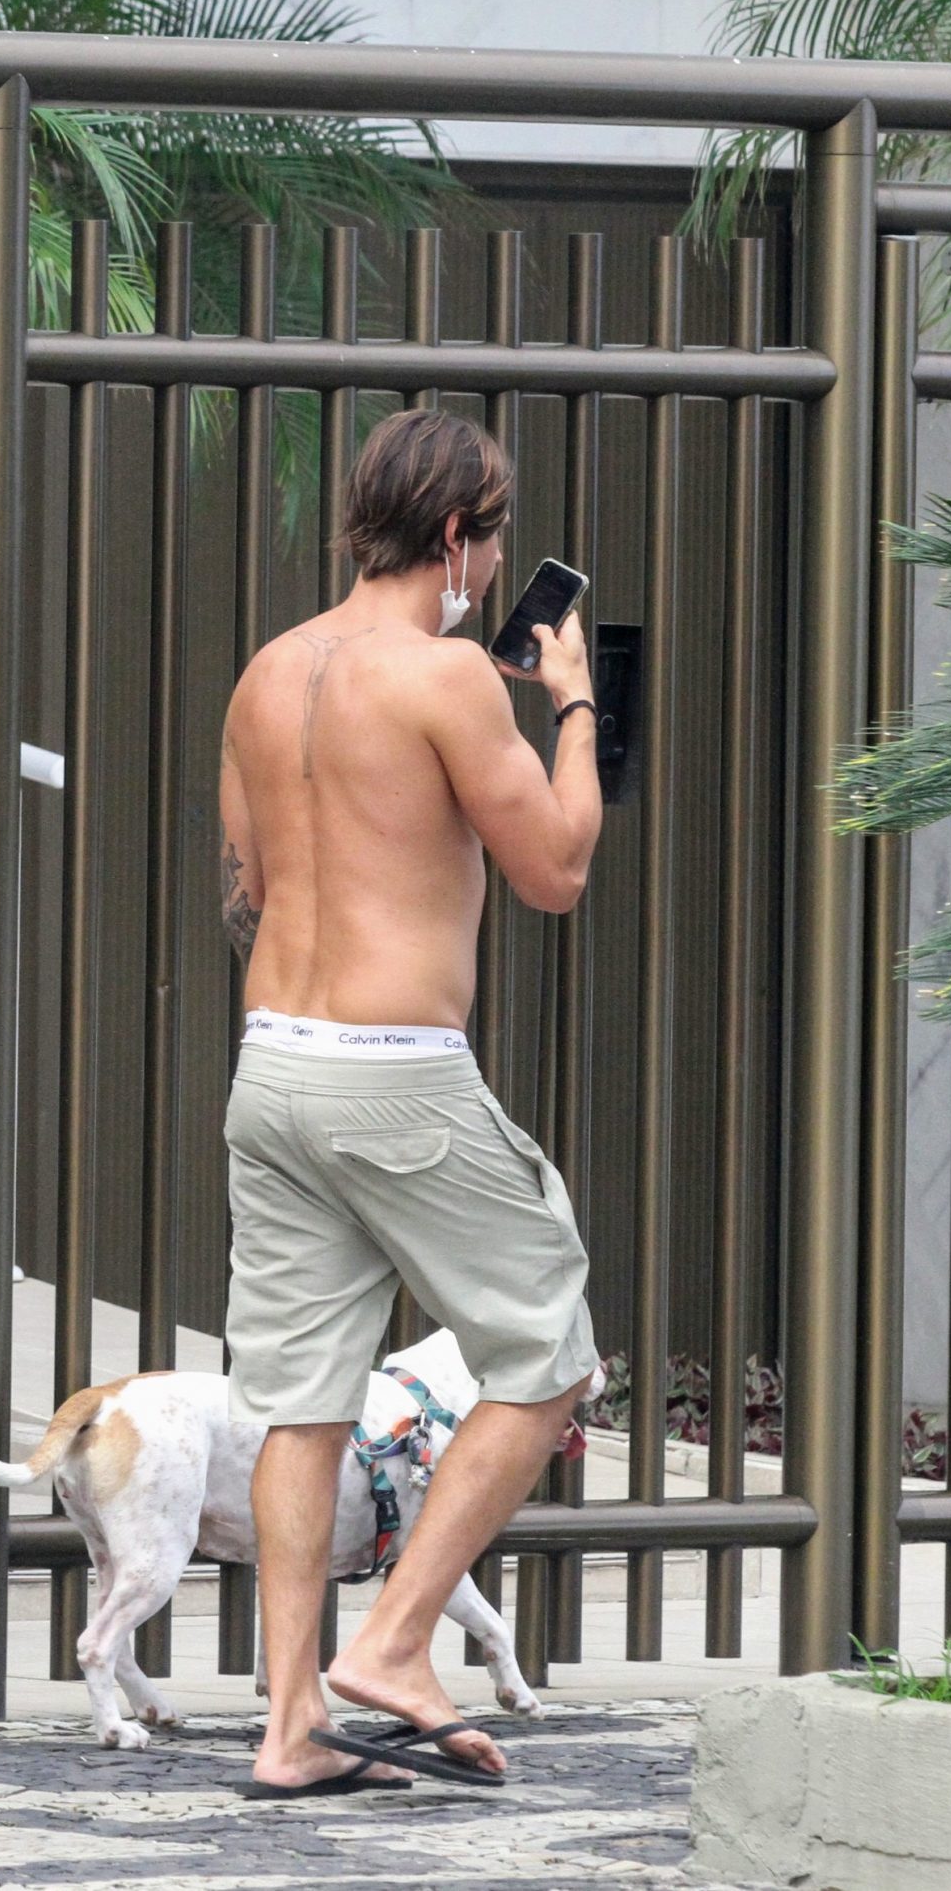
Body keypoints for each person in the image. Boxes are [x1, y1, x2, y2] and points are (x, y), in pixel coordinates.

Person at [216, 408, 604, 1796]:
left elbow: (254, 877)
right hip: (396, 1075)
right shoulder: (448, 676)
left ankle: (290, 1726)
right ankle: (394, 1639)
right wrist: (570, 702)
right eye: (492, 543)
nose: (498, 573)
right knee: (549, 1350)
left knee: (302, 1400)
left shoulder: (270, 671)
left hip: (273, 1063)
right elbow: (558, 864)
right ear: (456, 535)